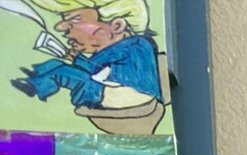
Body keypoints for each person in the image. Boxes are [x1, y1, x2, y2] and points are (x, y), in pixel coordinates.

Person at [11, 1, 161, 114]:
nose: (60, 27)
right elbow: (100, 70)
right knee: (57, 65)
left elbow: (109, 76)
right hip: (107, 88)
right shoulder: (121, 48)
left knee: (62, 72)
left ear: (117, 26)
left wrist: (81, 64)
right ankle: (37, 75)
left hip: (123, 95)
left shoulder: (134, 46)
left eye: (76, 19)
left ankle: (34, 86)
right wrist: (78, 59)